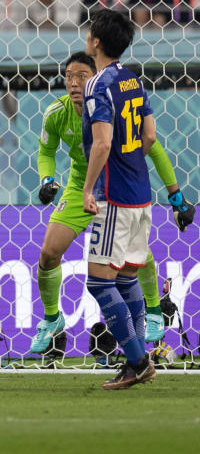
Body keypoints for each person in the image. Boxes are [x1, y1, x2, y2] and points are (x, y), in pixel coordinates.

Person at [30, 51, 194, 353]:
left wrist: (176, 195)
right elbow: (46, 152)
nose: (73, 83)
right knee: (48, 253)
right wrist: (46, 179)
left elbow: (153, 145)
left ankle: (154, 312)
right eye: (68, 76)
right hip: (81, 187)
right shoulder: (56, 113)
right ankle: (52, 319)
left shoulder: (110, 107)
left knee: (136, 255)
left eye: (81, 76)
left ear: (93, 78)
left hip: (116, 185)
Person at [80, 9, 161, 389]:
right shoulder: (133, 81)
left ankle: (139, 360)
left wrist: (88, 188)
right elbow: (149, 137)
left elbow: (103, 143)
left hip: (114, 197)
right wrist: (131, 165)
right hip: (142, 196)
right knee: (127, 278)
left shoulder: (98, 85)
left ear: (96, 41)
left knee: (99, 283)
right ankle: (135, 363)